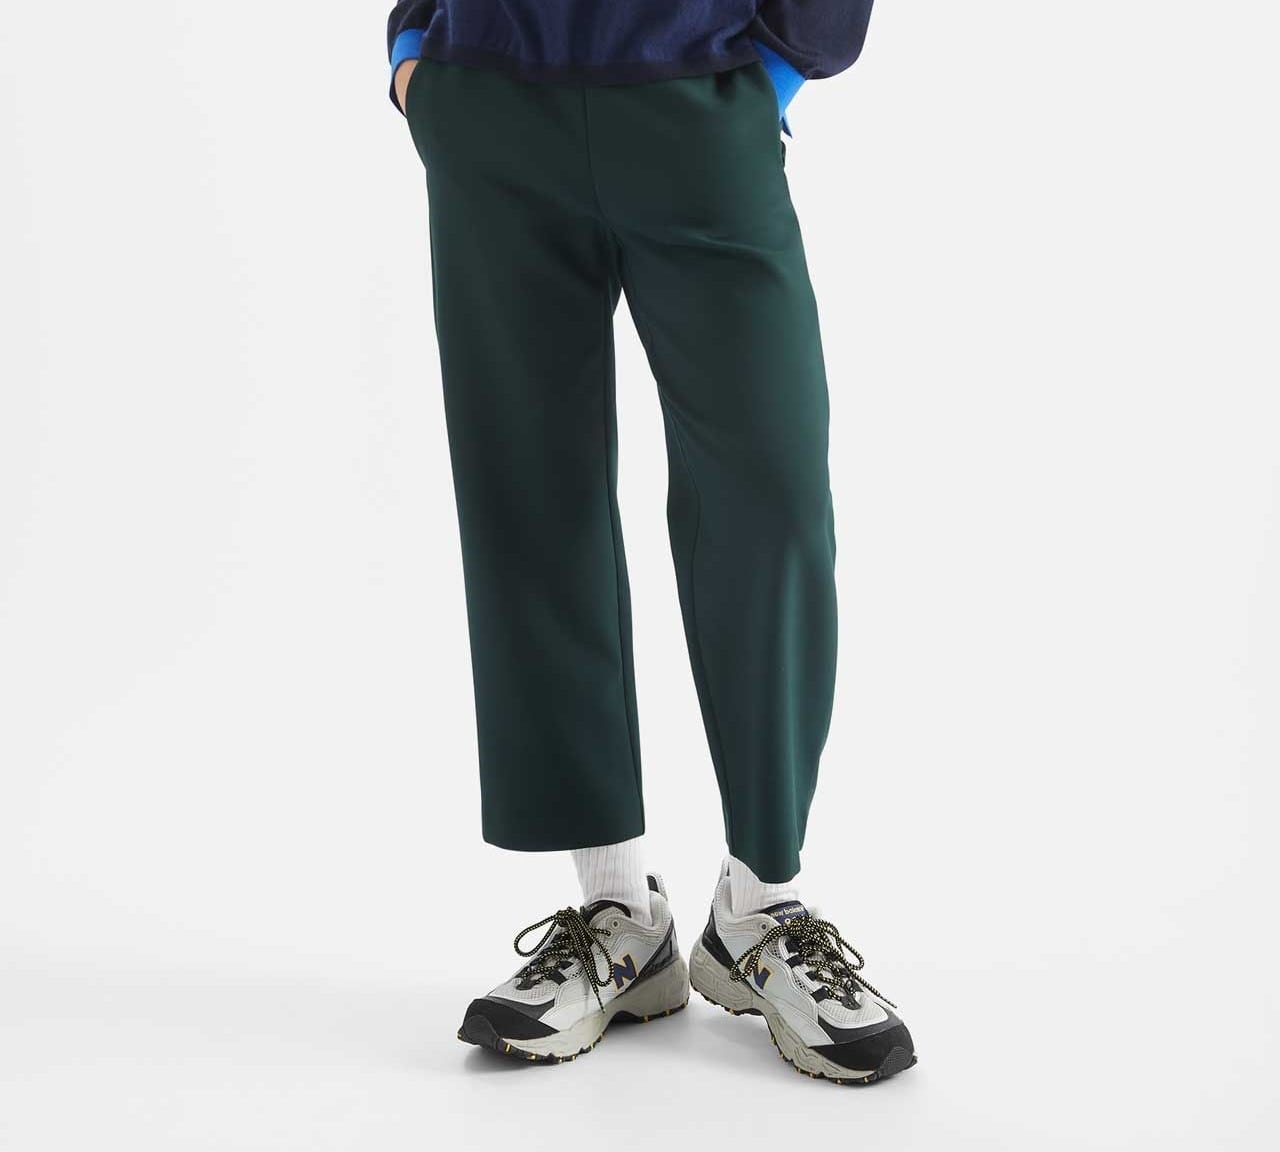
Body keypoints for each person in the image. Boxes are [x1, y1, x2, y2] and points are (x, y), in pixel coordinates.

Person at [386, 0, 915, 1083]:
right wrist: (414, 47)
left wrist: (781, 65)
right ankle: (616, 912)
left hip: (700, 94)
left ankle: (761, 905)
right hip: (489, 96)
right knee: (527, 498)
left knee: (769, 496)